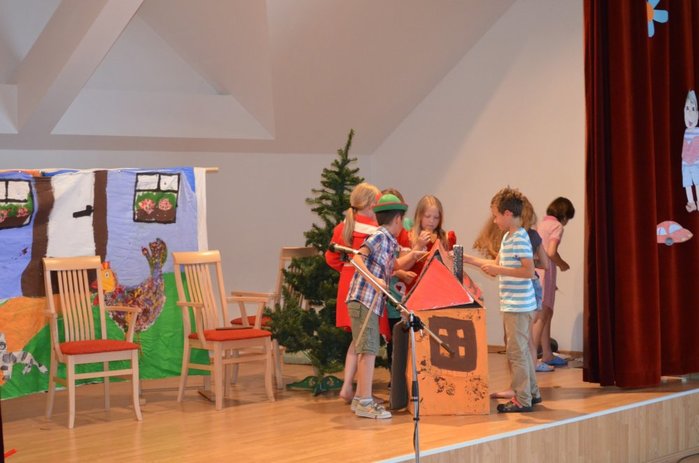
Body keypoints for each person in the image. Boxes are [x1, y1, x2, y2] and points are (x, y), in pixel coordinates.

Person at [463, 187, 540, 413]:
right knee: (521, 351)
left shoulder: (520, 238)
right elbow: (496, 266)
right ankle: (532, 392)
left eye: (496, 215)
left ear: (507, 214)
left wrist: (499, 270)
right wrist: (467, 259)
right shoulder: (508, 237)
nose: (494, 220)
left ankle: (522, 399)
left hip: (519, 305)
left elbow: (529, 271)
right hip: (513, 304)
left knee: (516, 353)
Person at [346, 193, 423, 419]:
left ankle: (360, 399)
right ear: (398, 219)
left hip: (369, 302)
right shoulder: (379, 236)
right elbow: (357, 259)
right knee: (368, 351)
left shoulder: (389, 241)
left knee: (367, 349)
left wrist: (414, 255)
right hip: (363, 300)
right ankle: (365, 402)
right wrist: (375, 280)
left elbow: (393, 265)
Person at [325, 182, 381, 404]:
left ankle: (349, 387)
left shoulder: (343, 227)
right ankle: (356, 390)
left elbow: (331, 258)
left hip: (347, 283)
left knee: (357, 339)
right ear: (371, 204)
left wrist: (347, 270)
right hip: (366, 285)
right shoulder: (375, 230)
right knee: (364, 341)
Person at [532, 197, 575, 367]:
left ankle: (547, 354)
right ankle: (532, 359)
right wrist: (563, 264)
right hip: (545, 271)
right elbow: (551, 252)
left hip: (538, 272)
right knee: (542, 316)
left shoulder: (541, 224)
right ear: (564, 217)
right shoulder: (557, 226)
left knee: (547, 313)